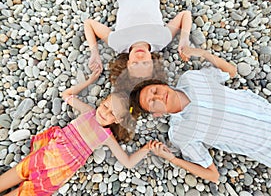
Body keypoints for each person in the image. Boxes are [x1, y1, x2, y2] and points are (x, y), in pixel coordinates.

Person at [130, 46, 271, 183]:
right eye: (153, 102)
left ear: (162, 84)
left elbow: (231, 72)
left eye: (154, 91)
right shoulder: (181, 133)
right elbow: (212, 175)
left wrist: (202, 53)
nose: (159, 96)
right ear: (157, 114)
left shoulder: (191, 79)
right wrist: (172, 159)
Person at [0, 70, 160, 196]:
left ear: (118, 120)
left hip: (54, 176)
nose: (105, 113)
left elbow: (128, 162)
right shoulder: (88, 112)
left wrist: (147, 148)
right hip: (42, 158)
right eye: (105, 106)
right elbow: (66, 95)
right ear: (102, 102)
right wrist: (89, 80)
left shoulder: (106, 137)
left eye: (112, 114)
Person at [84, 0, 192, 79]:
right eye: (145, 63)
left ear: (128, 64)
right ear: (153, 62)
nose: (140, 56)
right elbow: (185, 15)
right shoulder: (161, 40)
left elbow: (89, 24)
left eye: (135, 64)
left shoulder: (118, 43)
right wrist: (184, 39)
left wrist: (94, 53)